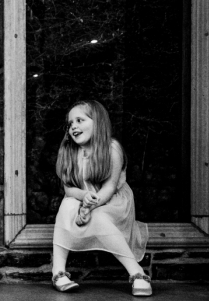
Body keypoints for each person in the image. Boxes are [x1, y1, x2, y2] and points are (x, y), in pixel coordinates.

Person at [52, 100, 151, 296]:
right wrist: (83, 196)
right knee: (67, 204)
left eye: (80, 120)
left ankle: (136, 272)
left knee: (98, 217)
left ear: (98, 122)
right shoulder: (69, 151)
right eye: (70, 123)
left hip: (112, 202)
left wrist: (89, 208)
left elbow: (109, 187)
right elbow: (69, 189)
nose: (74, 127)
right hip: (84, 200)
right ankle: (58, 271)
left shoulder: (112, 148)